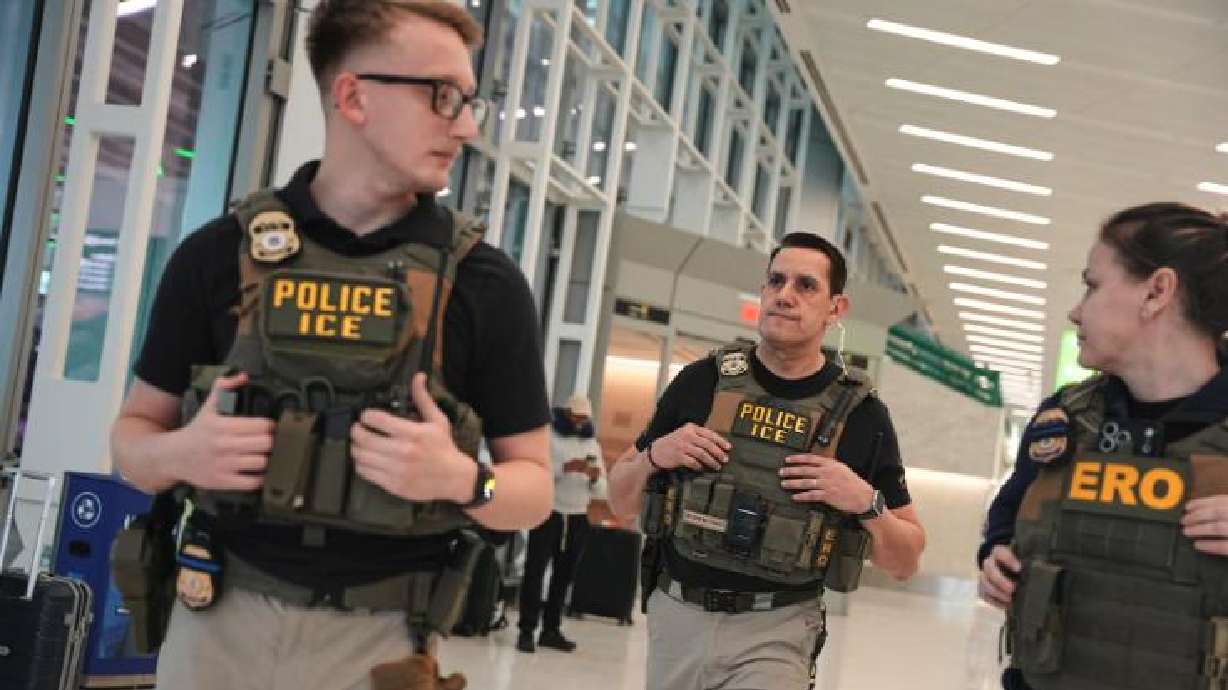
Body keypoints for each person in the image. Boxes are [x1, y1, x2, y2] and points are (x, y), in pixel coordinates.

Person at [109, 2, 553, 689]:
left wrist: (468, 480)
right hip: (216, 625)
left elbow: (534, 490)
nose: (465, 125)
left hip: (385, 646)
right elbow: (132, 442)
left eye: (470, 101)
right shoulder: (218, 255)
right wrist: (179, 453)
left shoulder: (484, 284)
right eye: (442, 97)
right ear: (354, 96)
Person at [607, 231, 925, 690]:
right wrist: (655, 456)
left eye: (805, 286)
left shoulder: (860, 415)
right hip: (678, 620)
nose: (785, 296)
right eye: (776, 282)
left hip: (777, 629)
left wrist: (865, 502)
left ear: (837, 309)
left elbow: (906, 560)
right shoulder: (702, 381)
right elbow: (619, 501)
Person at [977, 203, 1228, 690]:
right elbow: (1006, 525)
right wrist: (994, 559)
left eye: (1092, 285)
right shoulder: (1067, 419)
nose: (1076, 310)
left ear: (1157, 292)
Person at [515, 394, 606, 653]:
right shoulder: (549, 438)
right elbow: (539, 473)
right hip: (549, 513)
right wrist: (564, 468)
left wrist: (593, 477)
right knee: (535, 572)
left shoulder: (592, 444)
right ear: (566, 414)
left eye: (583, 419)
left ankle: (551, 629)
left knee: (563, 576)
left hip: (577, 516)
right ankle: (526, 630)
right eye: (575, 417)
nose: (579, 423)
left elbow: (602, 491)